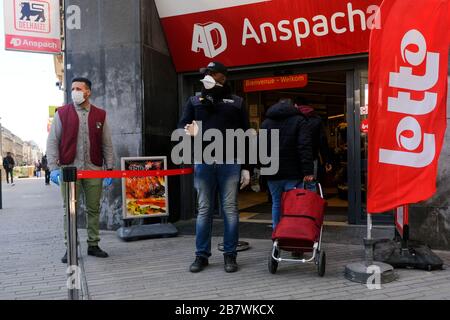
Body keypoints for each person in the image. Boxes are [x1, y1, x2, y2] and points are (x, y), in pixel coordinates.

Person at [178, 62, 251, 273]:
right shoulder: (195, 100)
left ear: (223, 77)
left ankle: (230, 255)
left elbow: (246, 135)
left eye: (212, 73)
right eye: (206, 73)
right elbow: (180, 125)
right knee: (204, 210)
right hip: (203, 161)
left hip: (230, 161)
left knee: (229, 210)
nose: (208, 76)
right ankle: (201, 256)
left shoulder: (236, 102)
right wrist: (187, 130)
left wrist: (247, 166)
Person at [46, 77, 114, 264]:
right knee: (70, 211)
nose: (74, 91)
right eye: (72, 88)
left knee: (94, 209)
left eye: (78, 88)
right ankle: (70, 248)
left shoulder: (100, 115)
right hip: (69, 170)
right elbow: (52, 142)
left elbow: (107, 143)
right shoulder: (62, 113)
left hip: (94, 169)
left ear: (87, 92)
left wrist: (109, 168)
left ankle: (93, 244)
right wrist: (53, 168)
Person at [261, 98, 314, 230]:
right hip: (293, 172)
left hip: (272, 172)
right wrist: (308, 171)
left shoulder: (266, 122)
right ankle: (294, 234)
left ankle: (277, 235)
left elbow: (260, 147)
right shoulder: (299, 121)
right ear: (294, 106)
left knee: (276, 203)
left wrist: (263, 168)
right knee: (294, 204)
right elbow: (304, 146)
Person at [294, 97, 332, 190]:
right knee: (311, 185)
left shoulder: (293, 119)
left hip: (295, 159)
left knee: (297, 186)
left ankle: (298, 204)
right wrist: (327, 160)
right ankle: (310, 204)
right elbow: (322, 142)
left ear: (296, 105)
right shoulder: (317, 119)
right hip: (312, 158)